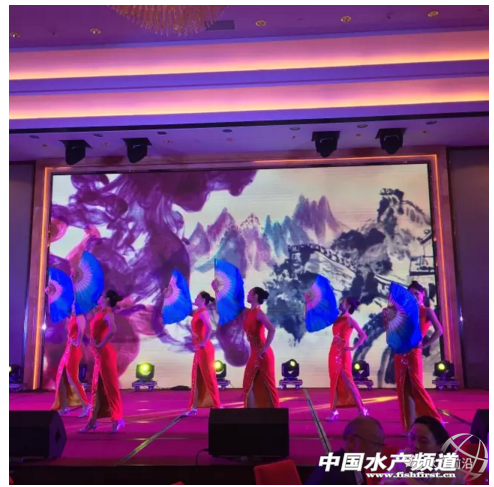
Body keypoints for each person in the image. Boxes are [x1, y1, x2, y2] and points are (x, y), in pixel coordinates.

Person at [384, 281, 443, 431]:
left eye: (416, 294)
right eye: (410, 294)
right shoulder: (402, 313)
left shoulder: (427, 310)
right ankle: (409, 427)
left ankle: (435, 420)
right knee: (403, 389)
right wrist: (387, 318)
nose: (413, 296)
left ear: (423, 295)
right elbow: (392, 331)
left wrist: (426, 344)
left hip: (414, 353)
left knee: (417, 386)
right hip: (399, 353)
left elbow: (439, 330)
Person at [305, 295, 368, 421]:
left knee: (348, 383)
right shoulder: (336, 318)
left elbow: (363, 335)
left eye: (343, 302)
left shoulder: (350, 320)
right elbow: (318, 317)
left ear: (348, 306)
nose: (340, 303)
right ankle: (333, 411)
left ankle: (362, 408)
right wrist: (308, 304)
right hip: (333, 352)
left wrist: (353, 347)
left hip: (344, 354)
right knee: (334, 382)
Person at [80, 290, 124, 434]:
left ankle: (117, 419)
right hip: (99, 355)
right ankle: (92, 421)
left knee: (110, 387)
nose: (98, 297)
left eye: (101, 296)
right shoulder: (100, 312)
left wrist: (101, 343)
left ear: (106, 299)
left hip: (105, 355)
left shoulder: (108, 313)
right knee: (96, 388)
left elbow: (113, 330)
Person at [383, 416, 465, 485]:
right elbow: (384, 483)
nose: (415, 445)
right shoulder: (405, 457)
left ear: (440, 446)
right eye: (412, 438)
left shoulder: (450, 468)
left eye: (423, 441)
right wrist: (401, 482)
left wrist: (412, 482)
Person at [306, 416, 385, 485]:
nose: (380, 451)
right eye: (374, 443)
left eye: (381, 445)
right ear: (351, 441)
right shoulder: (337, 474)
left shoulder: (349, 466)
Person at [183, 291, 222, 416]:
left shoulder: (203, 312)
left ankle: (218, 405)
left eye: (197, 297)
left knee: (209, 376)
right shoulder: (197, 312)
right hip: (199, 349)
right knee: (197, 376)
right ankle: (193, 406)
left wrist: (203, 342)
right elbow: (185, 308)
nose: (195, 298)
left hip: (205, 349)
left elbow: (209, 328)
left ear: (203, 300)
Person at [240, 286, 279, 408]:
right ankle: (252, 415)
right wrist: (217, 291)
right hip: (254, 354)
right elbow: (232, 304)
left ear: (255, 296)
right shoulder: (248, 312)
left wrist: (265, 348)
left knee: (268, 385)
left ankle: (275, 415)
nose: (247, 295)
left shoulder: (259, 313)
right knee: (248, 385)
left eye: (249, 293)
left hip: (263, 355)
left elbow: (272, 330)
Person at [50, 303, 90, 417]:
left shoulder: (80, 317)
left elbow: (81, 331)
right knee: (61, 376)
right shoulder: (72, 317)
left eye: (73, 305)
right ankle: (64, 406)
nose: (71, 306)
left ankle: (86, 404)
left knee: (72, 378)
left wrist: (77, 342)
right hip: (68, 348)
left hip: (74, 349)